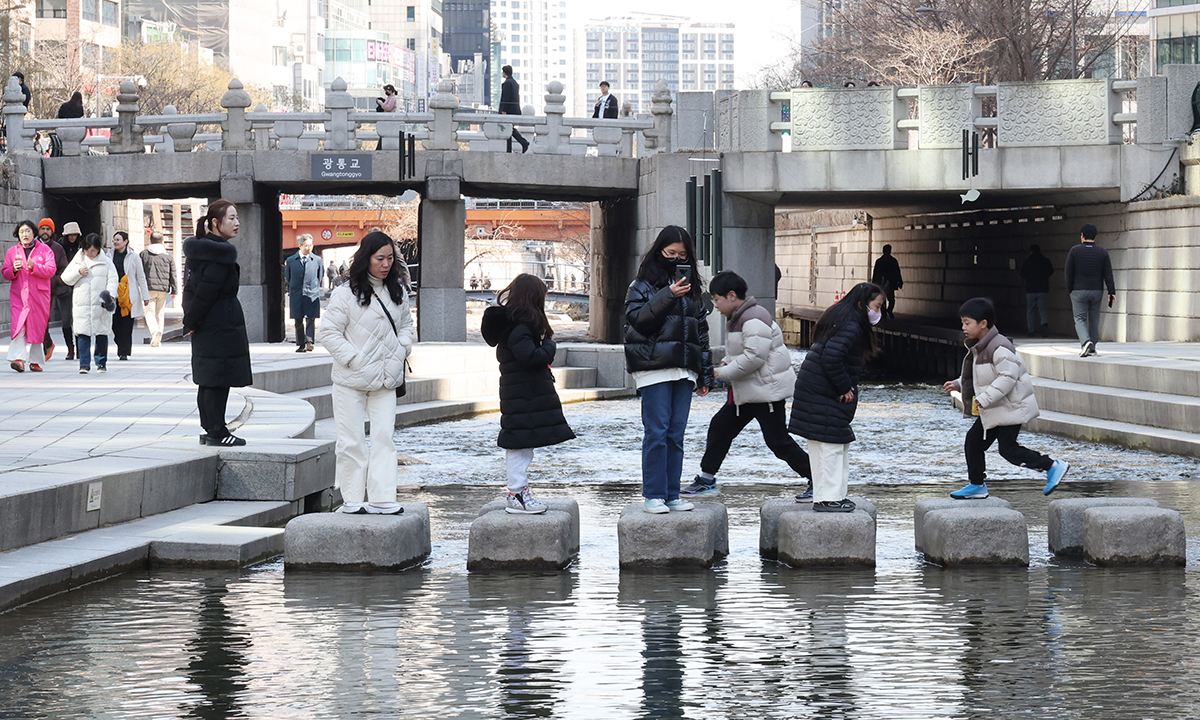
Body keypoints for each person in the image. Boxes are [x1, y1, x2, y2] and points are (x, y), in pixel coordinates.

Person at [682, 271, 812, 498]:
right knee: (720, 429)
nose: (716, 305)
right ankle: (706, 479)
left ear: (731, 296)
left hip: (765, 393)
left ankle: (820, 480)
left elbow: (754, 358)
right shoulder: (740, 316)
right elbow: (740, 354)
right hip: (749, 392)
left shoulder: (753, 318)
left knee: (778, 442)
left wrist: (718, 373)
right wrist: (721, 369)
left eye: (717, 299)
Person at [318, 231, 414, 514]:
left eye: (390, 259)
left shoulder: (398, 292)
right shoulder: (344, 294)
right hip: (351, 380)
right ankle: (353, 499)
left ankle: (383, 497)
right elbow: (330, 333)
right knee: (351, 440)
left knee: (385, 438)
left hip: (386, 379)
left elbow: (407, 327)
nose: (385, 265)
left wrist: (402, 348)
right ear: (366, 259)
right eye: (379, 259)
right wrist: (353, 359)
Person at [942, 297, 1070, 499]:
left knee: (1008, 450)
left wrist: (985, 398)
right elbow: (983, 374)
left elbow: (1007, 377)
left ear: (983, 324)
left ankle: (1052, 465)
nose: (963, 327)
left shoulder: (999, 347)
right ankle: (977, 485)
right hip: (996, 408)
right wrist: (959, 383)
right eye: (963, 323)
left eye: (967, 323)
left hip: (1009, 408)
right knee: (973, 442)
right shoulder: (982, 345)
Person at [624, 226, 713, 514]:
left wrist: (705, 375)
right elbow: (638, 322)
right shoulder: (640, 286)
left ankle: (672, 494)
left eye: (682, 255)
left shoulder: (693, 290)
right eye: (670, 253)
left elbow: (702, 334)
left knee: (676, 434)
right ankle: (653, 495)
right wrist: (667, 295)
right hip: (653, 367)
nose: (675, 259)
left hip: (684, 369)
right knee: (657, 432)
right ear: (659, 252)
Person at [481, 273, 575, 514]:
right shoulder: (520, 328)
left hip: (521, 395)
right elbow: (530, 358)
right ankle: (517, 494)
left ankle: (519, 492)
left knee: (522, 446)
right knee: (519, 446)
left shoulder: (514, 326)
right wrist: (549, 345)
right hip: (523, 396)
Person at [788, 282, 883, 512]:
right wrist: (844, 387)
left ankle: (830, 495)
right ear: (862, 304)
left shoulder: (841, 317)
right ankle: (829, 498)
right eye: (877, 307)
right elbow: (832, 358)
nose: (878, 313)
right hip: (824, 391)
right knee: (832, 444)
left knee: (826, 445)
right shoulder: (852, 325)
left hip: (815, 389)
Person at [183, 200, 253, 446]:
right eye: (231, 218)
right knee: (217, 377)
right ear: (215, 222)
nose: (237, 222)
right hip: (219, 322)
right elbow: (205, 291)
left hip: (210, 322)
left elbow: (190, 290)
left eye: (237, 218)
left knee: (210, 376)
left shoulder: (201, 251)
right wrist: (191, 320)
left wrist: (190, 319)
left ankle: (212, 428)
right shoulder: (219, 254)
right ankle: (217, 431)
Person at [3, 220, 55, 372]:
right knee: (19, 325)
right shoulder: (12, 252)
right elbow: (5, 272)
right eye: (21, 232)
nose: (24, 235)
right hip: (19, 295)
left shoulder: (45, 250)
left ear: (34, 233)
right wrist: (13, 269)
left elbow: (51, 270)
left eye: (27, 231)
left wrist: (35, 266)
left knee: (36, 327)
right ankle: (18, 359)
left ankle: (35, 360)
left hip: (38, 296)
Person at [61, 233, 117, 374]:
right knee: (83, 334)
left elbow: (113, 280)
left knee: (101, 334)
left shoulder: (106, 262)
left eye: (93, 251)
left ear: (99, 249)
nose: (90, 254)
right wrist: (78, 272)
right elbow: (66, 278)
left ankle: (101, 363)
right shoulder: (78, 260)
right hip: (82, 304)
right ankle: (84, 364)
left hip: (100, 304)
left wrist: (109, 295)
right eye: (87, 251)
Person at [1065, 223, 1115, 357]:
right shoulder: (1102, 252)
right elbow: (1108, 274)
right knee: (1094, 319)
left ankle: (1086, 342)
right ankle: (1092, 346)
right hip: (1097, 290)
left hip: (1079, 290)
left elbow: (1068, 272)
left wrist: (1070, 289)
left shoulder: (1074, 251)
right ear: (1095, 236)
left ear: (1082, 236)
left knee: (1080, 318)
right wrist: (1112, 292)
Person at [110, 230, 149, 360]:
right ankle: (121, 344)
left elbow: (141, 277)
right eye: (114, 240)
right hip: (113, 295)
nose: (115, 242)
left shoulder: (134, 256)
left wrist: (145, 296)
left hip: (128, 296)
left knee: (126, 324)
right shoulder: (109, 255)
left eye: (118, 239)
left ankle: (124, 352)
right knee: (114, 324)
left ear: (126, 241)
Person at [284, 234, 323, 352]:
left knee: (311, 319)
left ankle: (310, 342)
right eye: (307, 245)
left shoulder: (317, 260)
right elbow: (288, 277)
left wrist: (313, 287)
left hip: (311, 293)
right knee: (298, 319)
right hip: (297, 294)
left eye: (311, 245)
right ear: (300, 246)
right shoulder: (291, 260)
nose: (309, 248)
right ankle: (301, 344)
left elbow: (319, 276)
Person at [36, 218, 69, 361]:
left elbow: (63, 270)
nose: (45, 231)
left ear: (52, 231)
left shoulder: (57, 248)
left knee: (43, 319)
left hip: (49, 289)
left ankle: (45, 346)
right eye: (42, 228)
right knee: (34, 319)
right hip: (32, 289)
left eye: (47, 229)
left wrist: (54, 281)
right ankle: (47, 343)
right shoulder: (33, 246)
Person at [140, 231, 176, 347]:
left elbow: (139, 272)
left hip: (148, 288)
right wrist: (174, 290)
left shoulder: (144, 254)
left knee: (148, 311)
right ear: (162, 242)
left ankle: (155, 332)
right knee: (159, 313)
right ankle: (158, 338)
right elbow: (173, 274)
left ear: (150, 241)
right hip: (163, 289)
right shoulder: (168, 256)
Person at [1020, 244, 1053, 337]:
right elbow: (1051, 271)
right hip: (1043, 289)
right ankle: (1044, 325)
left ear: (1031, 251)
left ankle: (1031, 330)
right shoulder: (1045, 261)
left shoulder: (1027, 262)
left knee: (1030, 310)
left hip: (1030, 289)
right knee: (1043, 309)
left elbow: (1022, 274)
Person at [499, 65, 530, 153]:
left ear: (505, 73)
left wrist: (503, 110)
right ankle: (515, 146)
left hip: (508, 110)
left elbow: (506, 98)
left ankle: (522, 142)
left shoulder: (508, 83)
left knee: (508, 129)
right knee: (509, 129)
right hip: (514, 109)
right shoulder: (514, 83)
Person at [871, 244, 903, 319]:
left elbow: (876, 273)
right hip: (891, 282)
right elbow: (897, 272)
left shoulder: (879, 261)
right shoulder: (893, 261)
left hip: (882, 283)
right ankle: (889, 310)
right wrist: (900, 281)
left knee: (883, 298)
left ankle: (884, 312)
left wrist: (874, 284)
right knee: (891, 298)